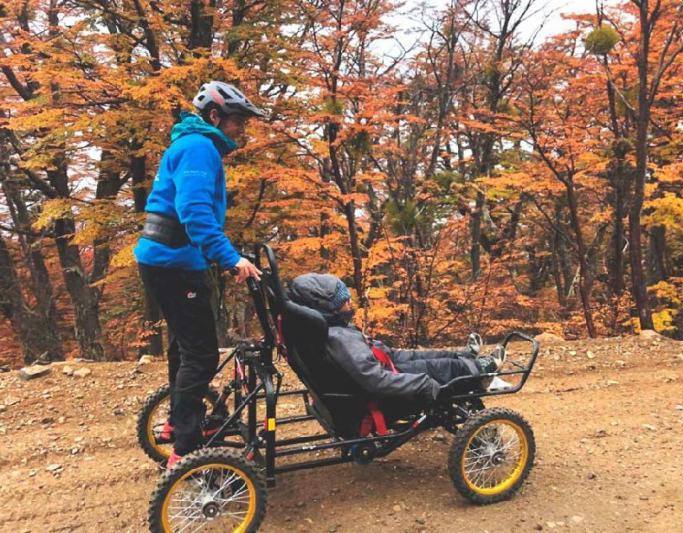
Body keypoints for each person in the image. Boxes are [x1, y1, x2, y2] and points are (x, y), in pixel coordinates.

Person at [134, 81, 264, 469]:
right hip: (173, 263)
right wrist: (230, 258)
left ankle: (177, 424)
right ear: (214, 117)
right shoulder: (199, 148)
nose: (242, 127)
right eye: (238, 120)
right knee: (202, 354)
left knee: (184, 346)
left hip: (168, 259)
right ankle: (186, 451)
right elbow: (194, 212)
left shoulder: (193, 145)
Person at [286, 273, 506, 403]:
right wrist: (425, 384)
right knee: (442, 368)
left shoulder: (329, 329)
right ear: (326, 307)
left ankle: (465, 356)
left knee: (425, 356)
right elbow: (376, 381)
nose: (350, 304)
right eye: (344, 300)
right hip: (392, 381)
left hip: (385, 361)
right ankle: (481, 370)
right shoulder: (339, 339)